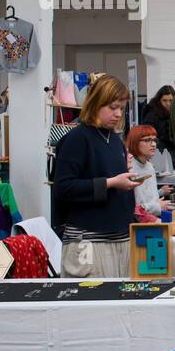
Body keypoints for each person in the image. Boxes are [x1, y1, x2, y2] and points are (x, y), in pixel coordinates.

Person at [52, 75, 142, 278]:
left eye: (122, 108)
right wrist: (111, 183)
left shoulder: (115, 141)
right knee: (91, 306)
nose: (118, 114)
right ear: (96, 104)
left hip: (120, 240)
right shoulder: (77, 139)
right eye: (113, 107)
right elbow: (63, 188)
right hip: (88, 243)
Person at [127, 124, 173, 218]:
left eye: (154, 140)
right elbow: (135, 208)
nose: (153, 144)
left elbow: (153, 201)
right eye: (147, 140)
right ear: (135, 142)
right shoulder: (130, 168)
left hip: (153, 219)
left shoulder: (149, 167)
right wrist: (157, 207)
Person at [141, 85, 175, 161]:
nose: (168, 104)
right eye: (165, 100)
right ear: (159, 100)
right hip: (160, 154)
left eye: (171, 101)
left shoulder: (174, 113)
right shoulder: (152, 115)